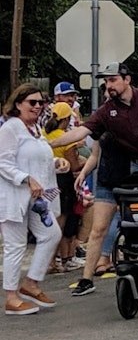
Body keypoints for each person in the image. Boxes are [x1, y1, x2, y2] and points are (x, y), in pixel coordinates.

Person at [50, 62, 138, 296]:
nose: (110, 85)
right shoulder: (108, 111)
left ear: (127, 79)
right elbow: (83, 132)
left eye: (113, 79)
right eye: (106, 81)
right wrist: (49, 143)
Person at [0, 85, 64, 315]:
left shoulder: (35, 129)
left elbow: (39, 160)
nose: (38, 107)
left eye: (41, 102)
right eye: (32, 102)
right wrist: (26, 178)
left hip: (37, 199)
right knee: (15, 245)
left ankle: (31, 282)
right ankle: (11, 297)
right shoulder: (11, 128)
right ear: (18, 104)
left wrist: (58, 164)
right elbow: (3, 162)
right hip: (14, 197)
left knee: (52, 234)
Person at [44, 102, 84, 272]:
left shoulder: (43, 134)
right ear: (66, 119)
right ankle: (58, 260)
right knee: (62, 223)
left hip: (47, 181)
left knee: (50, 221)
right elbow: (74, 165)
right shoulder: (66, 139)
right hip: (64, 183)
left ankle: (52, 260)